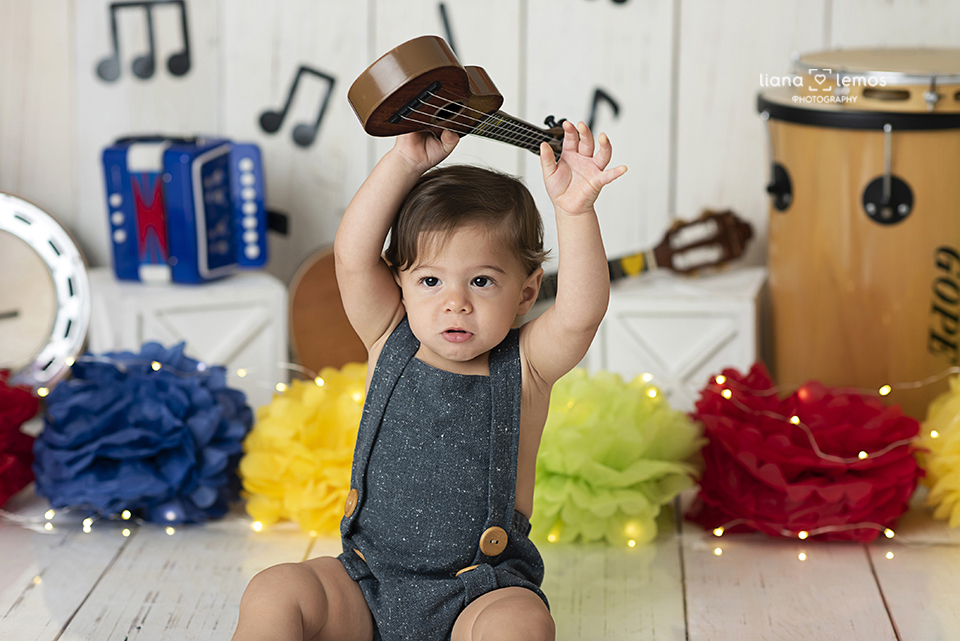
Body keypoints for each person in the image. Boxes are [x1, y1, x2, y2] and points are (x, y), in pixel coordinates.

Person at [232, 120, 626, 641]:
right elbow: (351, 258)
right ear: (401, 281)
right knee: (274, 588)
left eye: (482, 281)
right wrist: (404, 162)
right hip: (366, 583)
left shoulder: (526, 364)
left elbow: (580, 314)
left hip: (480, 592)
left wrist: (574, 212)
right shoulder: (388, 332)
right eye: (430, 280)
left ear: (527, 293)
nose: (454, 301)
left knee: (522, 625)